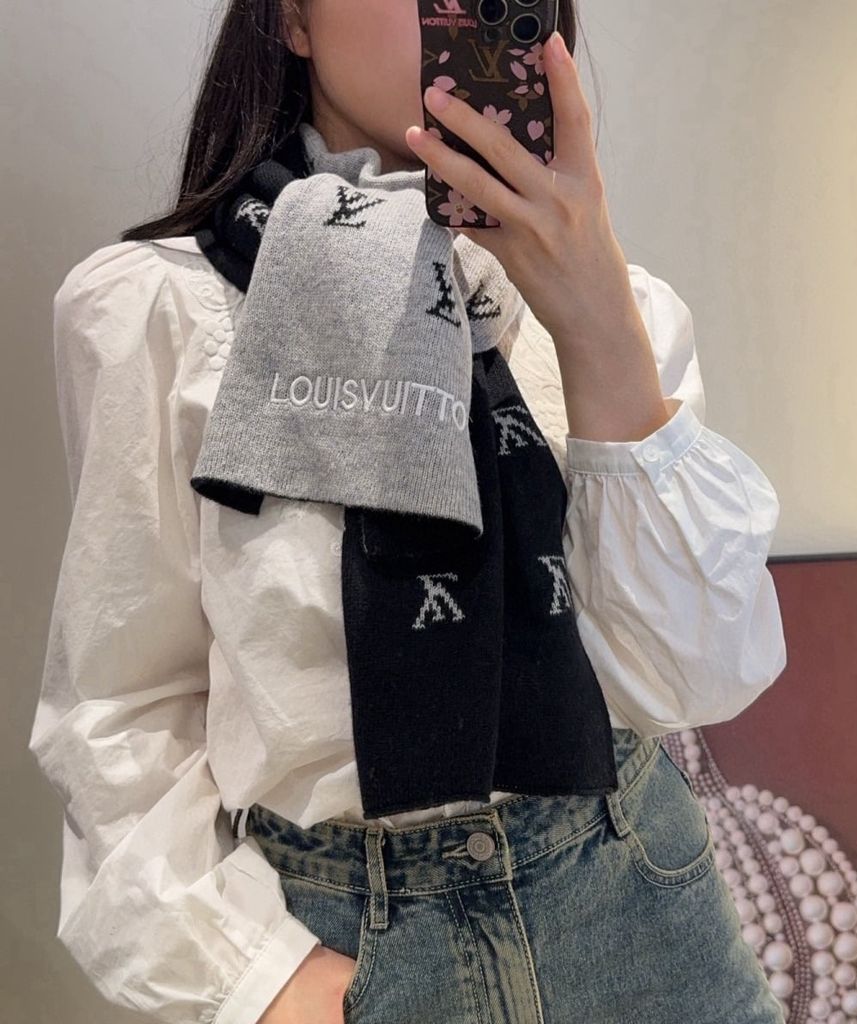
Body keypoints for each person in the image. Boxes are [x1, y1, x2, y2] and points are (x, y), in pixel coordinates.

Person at [28, 2, 789, 1023]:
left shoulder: (621, 307)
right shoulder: (154, 310)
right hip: (350, 939)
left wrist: (595, 321)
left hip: (638, 906)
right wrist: (253, 976)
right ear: (293, 21)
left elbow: (698, 676)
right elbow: (123, 703)